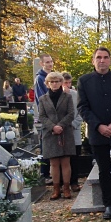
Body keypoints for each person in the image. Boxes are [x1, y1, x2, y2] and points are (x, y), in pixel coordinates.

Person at [77, 47, 111, 220]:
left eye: (105, 57)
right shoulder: (84, 81)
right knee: (104, 170)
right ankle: (108, 204)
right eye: (99, 57)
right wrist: (98, 126)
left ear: (110, 60)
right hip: (98, 132)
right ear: (93, 60)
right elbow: (83, 107)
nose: (102, 60)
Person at [37, 72, 76, 200]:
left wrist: (60, 125)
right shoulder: (43, 99)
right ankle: (56, 189)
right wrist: (53, 127)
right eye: (51, 82)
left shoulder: (67, 97)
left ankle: (66, 188)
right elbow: (42, 116)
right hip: (50, 133)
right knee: (53, 163)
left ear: (61, 82)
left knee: (65, 162)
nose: (54, 84)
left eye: (57, 81)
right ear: (47, 84)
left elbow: (71, 113)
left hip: (65, 132)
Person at [35, 53, 55, 182]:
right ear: (42, 64)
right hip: (47, 116)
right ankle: (45, 173)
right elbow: (42, 99)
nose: (50, 64)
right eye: (47, 62)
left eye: (51, 61)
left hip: (56, 115)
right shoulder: (40, 79)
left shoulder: (53, 76)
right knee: (46, 146)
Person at [62, 72, 83, 192]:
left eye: (69, 83)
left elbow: (81, 111)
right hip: (61, 131)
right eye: (66, 83)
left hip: (74, 129)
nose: (68, 85)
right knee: (62, 158)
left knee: (75, 158)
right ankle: (62, 183)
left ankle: (74, 182)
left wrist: (74, 124)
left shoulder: (76, 94)